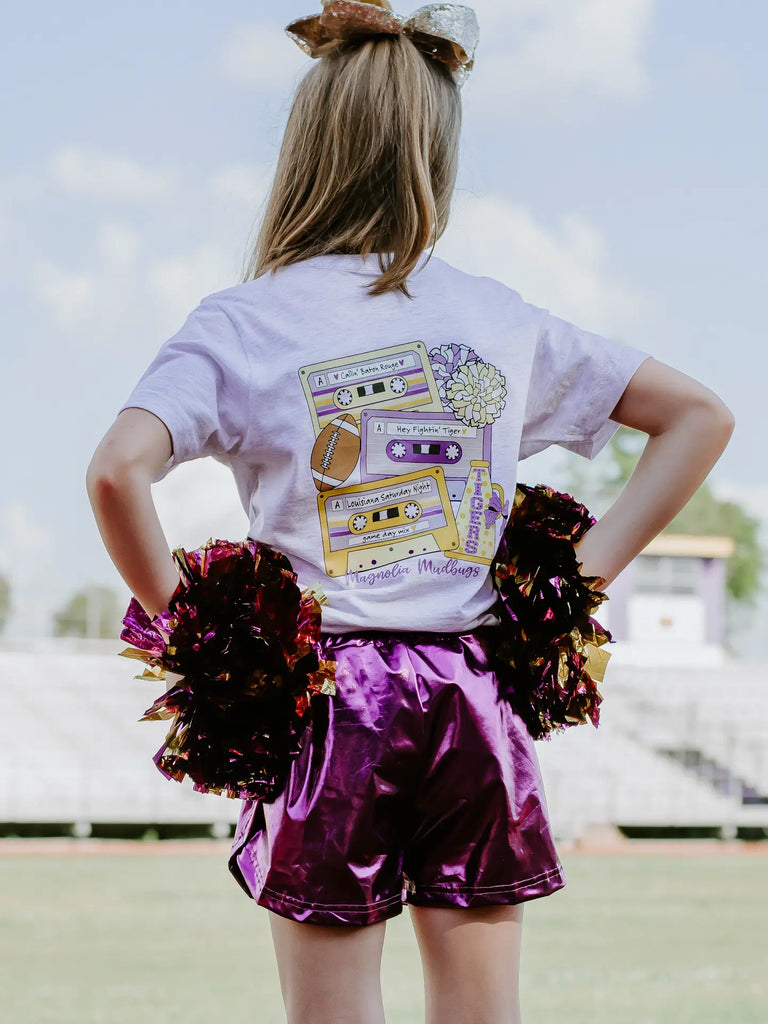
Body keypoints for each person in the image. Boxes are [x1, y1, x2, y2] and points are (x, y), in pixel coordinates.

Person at [86, 2, 735, 1022]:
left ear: (309, 150)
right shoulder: (497, 315)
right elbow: (699, 415)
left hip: (332, 706)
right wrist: (567, 591)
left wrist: (201, 639)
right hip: (476, 700)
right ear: (435, 154)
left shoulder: (244, 322)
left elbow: (117, 472)